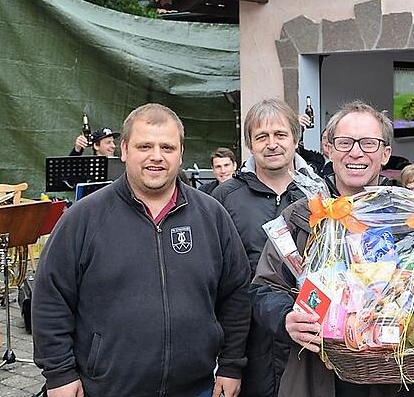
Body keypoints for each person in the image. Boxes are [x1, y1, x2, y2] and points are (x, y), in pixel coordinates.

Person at [33, 103, 251, 397]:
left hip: (198, 388)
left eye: (167, 147)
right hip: (106, 389)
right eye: (144, 146)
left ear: (181, 153)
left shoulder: (212, 215)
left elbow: (236, 294)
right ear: (124, 150)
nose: (156, 156)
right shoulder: (83, 218)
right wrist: (60, 375)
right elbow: (50, 297)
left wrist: (230, 365)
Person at [251, 101, 414, 397]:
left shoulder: (410, 219)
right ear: (328, 149)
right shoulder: (301, 216)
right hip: (314, 377)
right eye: (344, 142)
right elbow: (264, 288)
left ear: (385, 154)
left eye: (369, 143)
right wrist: (286, 317)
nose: (356, 152)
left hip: (392, 382)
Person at [212, 99, 310, 397]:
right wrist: (229, 362)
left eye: (280, 135)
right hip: (246, 339)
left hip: (303, 336)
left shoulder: (317, 195)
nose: (272, 144)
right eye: (261, 137)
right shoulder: (226, 198)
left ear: (295, 139)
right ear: (250, 145)